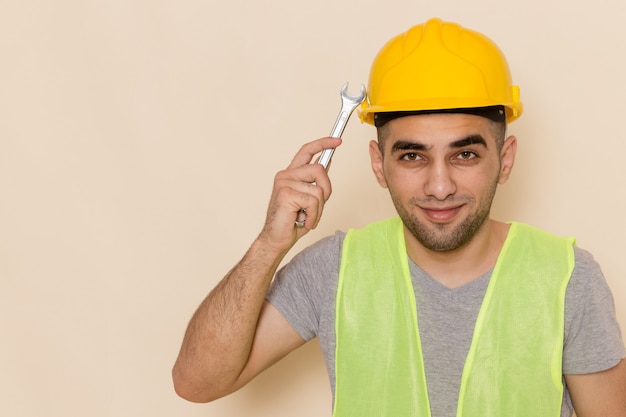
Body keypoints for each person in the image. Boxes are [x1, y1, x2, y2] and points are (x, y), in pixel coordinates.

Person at [172, 18, 626, 417]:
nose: (439, 185)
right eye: (412, 156)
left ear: (504, 160)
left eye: (465, 153)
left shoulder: (569, 279)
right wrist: (269, 244)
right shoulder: (334, 271)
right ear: (378, 164)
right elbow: (197, 383)